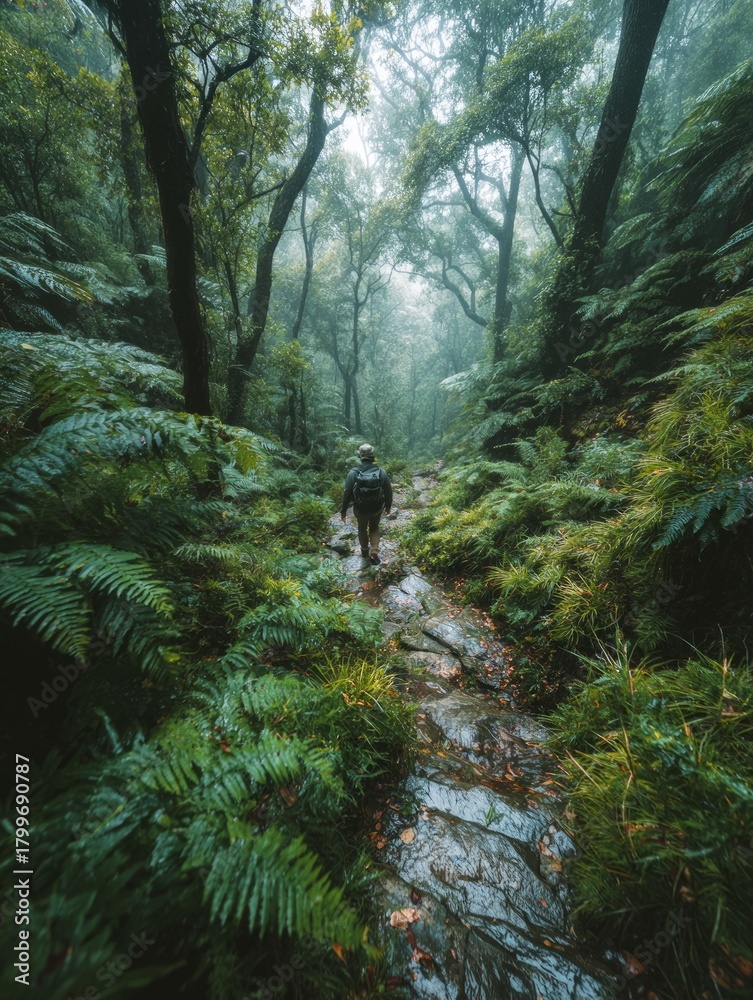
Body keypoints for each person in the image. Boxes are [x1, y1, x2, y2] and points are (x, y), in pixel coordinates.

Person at [340, 443, 392, 564]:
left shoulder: (353, 473)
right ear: (372, 455)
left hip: (360, 509)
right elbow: (388, 491)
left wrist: (343, 511)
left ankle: (364, 553)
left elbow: (347, 493)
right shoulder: (380, 472)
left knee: (362, 529)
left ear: (359, 455)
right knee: (374, 528)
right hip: (377, 508)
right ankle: (374, 551)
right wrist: (388, 507)